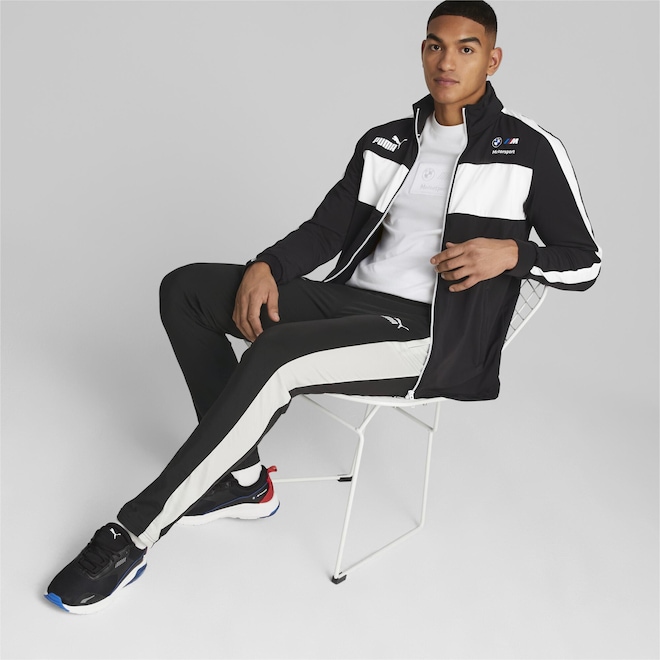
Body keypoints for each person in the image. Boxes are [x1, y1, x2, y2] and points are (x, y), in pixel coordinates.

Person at [44, 0, 601, 614]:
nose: (447, 61)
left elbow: (585, 262)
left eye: (466, 49)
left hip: (429, 334)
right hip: (349, 301)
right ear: (422, 52)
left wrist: (514, 254)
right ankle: (242, 480)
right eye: (435, 45)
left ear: (491, 60)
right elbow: (327, 229)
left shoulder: (529, 150)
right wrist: (266, 265)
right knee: (186, 290)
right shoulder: (388, 141)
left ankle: (133, 534)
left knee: (279, 354)